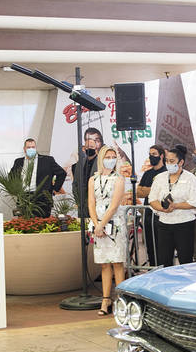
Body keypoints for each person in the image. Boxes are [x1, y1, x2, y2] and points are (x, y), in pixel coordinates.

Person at [148, 145, 196, 268]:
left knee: (185, 260)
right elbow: (152, 199)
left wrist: (176, 206)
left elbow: (194, 202)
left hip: (184, 225)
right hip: (164, 225)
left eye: (172, 161)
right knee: (164, 261)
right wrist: (162, 208)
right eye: (167, 161)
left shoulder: (190, 178)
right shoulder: (160, 178)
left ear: (181, 162)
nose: (168, 163)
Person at [88, 145, 127, 316]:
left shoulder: (119, 179)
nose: (110, 159)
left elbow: (114, 205)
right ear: (101, 158)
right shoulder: (93, 180)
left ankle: (121, 300)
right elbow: (91, 203)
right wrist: (96, 224)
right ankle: (105, 299)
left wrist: (102, 224)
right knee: (104, 264)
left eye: (113, 156)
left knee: (117, 263)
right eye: (107, 156)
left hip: (114, 224)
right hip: (98, 226)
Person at [9, 138, 67, 218]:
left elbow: (62, 173)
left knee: (42, 224)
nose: (31, 149)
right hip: (24, 198)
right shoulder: (18, 162)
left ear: (36, 148)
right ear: (24, 149)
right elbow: (11, 177)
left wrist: (54, 189)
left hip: (42, 198)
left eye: (33, 147)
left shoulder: (47, 160)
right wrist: (16, 189)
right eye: (28, 147)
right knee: (25, 225)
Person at [136, 144, 166, 266]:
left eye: (154, 154)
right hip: (148, 214)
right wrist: (154, 189)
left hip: (162, 214)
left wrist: (147, 190)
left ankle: (163, 268)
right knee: (149, 242)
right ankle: (153, 267)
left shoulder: (166, 172)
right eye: (150, 154)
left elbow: (165, 192)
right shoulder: (147, 173)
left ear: (161, 156)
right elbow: (139, 192)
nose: (151, 157)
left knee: (162, 243)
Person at [71, 127, 104, 217]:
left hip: (97, 203)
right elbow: (75, 184)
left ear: (96, 148)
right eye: (87, 147)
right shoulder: (79, 164)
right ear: (84, 149)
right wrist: (78, 200)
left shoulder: (101, 163)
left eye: (92, 147)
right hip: (82, 204)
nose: (90, 149)